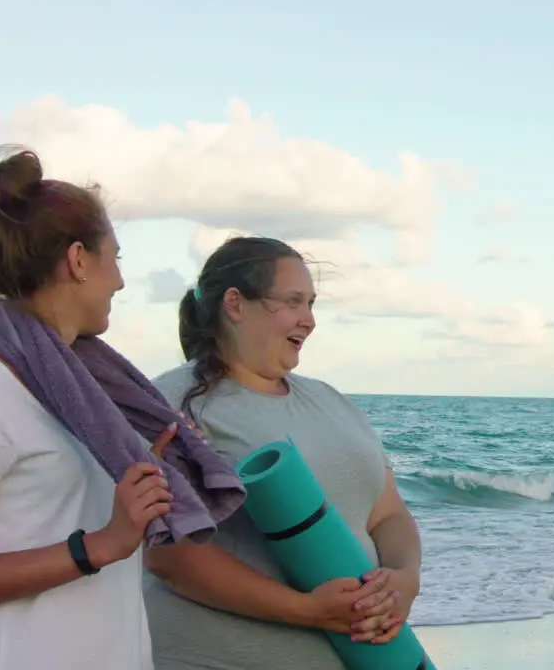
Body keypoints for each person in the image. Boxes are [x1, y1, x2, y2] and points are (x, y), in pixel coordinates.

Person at [0, 146, 174, 669]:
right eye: (115, 258)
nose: (121, 281)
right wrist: (100, 544)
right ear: (79, 259)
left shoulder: (94, 396)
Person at [143, 236, 425, 670]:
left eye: (311, 303)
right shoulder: (172, 405)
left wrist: (404, 581)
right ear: (235, 304)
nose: (309, 320)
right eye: (293, 302)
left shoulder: (332, 401)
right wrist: (308, 610)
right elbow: (170, 557)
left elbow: (387, 513)